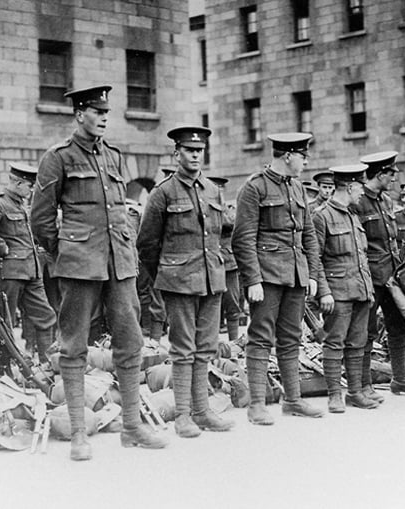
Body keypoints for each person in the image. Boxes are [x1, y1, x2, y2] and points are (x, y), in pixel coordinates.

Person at [30, 85, 168, 460]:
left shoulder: (114, 156)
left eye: (106, 112)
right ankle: (79, 432)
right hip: (79, 264)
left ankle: (132, 427)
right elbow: (40, 219)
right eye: (96, 111)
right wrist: (66, 252)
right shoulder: (58, 157)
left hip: (118, 261)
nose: (104, 117)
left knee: (130, 340)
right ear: (79, 114)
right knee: (74, 345)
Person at [137, 126, 235, 437]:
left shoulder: (212, 190)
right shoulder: (163, 192)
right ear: (176, 153)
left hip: (211, 279)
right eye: (188, 150)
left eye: (199, 150)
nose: (194, 155)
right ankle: (182, 415)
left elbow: (220, 235)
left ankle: (202, 411)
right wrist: (168, 274)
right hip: (178, 282)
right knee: (182, 349)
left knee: (206, 347)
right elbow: (146, 243)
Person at [232, 132, 325, 425]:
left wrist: (311, 274)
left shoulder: (298, 188)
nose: (305, 161)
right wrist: (252, 280)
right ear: (287, 156)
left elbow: (308, 235)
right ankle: (257, 405)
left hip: (296, 275)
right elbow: (243, 238)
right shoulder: (255, 187)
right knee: (260, 337)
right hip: (267, 276)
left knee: (291, 337)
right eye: (302, 156)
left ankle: (293, 400)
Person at [354, 151, 405, 398]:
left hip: (392, 277)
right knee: (367, 331)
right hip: (370, 277)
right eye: (391, 174)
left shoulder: (386, 201)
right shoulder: (358, 202)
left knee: (398, 327)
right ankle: (364, 385)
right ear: (380, 174)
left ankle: (400, 379)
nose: (394, 179)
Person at [0, 163, 58, 365]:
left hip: (32, 272)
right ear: (18, 184)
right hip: (11, 272)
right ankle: (6, 367)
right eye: (30, 186)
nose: (32, 190)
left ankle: (47, 364)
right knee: (6, 320)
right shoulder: (0, 204)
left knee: (46, 317)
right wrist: (0, 246)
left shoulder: (21, 205)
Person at [311, 164, 377, 412]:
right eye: (360, 187)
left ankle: (355, 393)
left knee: (357, 343)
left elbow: (361, 256)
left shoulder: (353, 216)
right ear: (350, 187)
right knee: (334, 342)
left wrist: (368, 290)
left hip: (360, 290)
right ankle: (334, 395)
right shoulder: (322, 216)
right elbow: (314, 258)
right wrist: (324, 292)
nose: (362, 193)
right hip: (337, 292)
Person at [208, 176, 244, 345]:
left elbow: (232, 224)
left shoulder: (228, 209)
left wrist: (224, 209)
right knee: (210, 305)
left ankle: (234, 342)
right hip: (210, 261)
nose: (218, 192)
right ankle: (211, 344)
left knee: (232, 302)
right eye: (216, 188)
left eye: (221, 189)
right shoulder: (205, 207)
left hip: (229, 262)